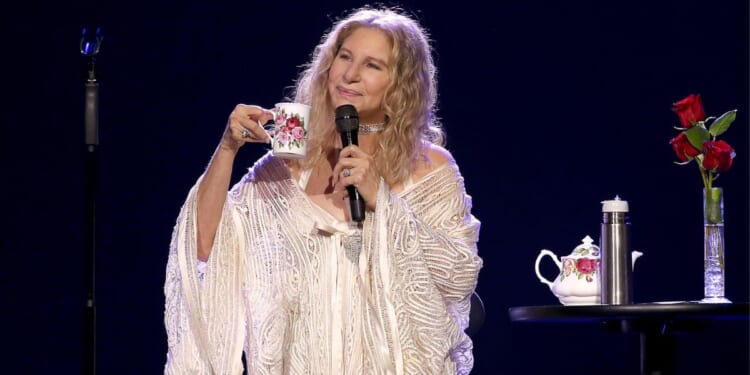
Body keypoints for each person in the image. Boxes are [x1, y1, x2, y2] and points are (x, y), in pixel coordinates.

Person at [163, 6, 483, 374]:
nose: (350, 74)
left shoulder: (430, 167)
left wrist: (383, 202)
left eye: (372, 65)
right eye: (344, 57)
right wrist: (227, 149)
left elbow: (459, 275)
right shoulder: (292, 159)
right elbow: (206, 246)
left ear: (400, 84)